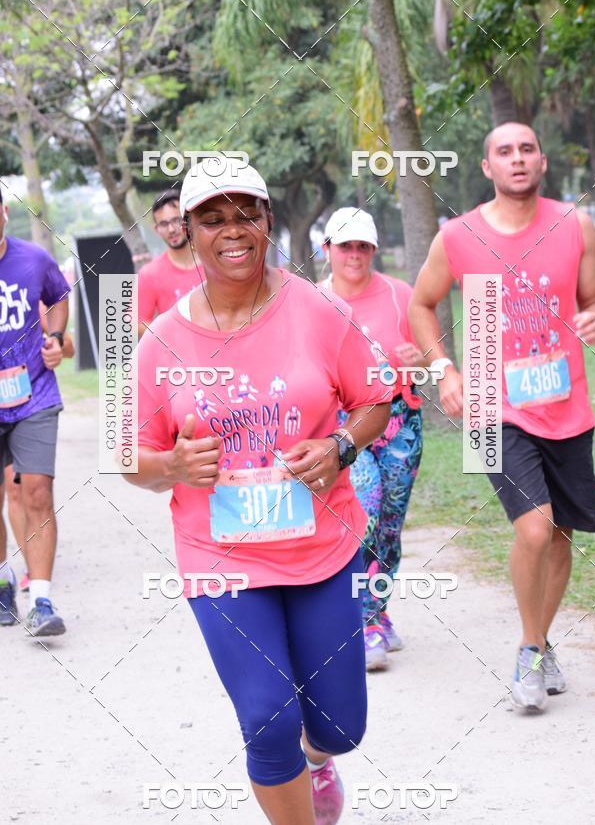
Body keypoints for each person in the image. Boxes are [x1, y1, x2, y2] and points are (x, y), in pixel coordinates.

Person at [125, 159, 391, 824]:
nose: (232, 229)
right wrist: (174, 465)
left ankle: (319, 757)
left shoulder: (321, 308)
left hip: (321, 547)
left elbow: (374, 401)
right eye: (212, 218)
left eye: (246, 213)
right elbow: (129, 457)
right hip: (220, 556)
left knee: (339, 726)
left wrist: (340, 446)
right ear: (187, 232)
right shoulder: (160, 342)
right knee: (268, 720)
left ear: (268, 220)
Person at [409, 121, 595, 712]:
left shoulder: (575, 225)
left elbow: (592, 299)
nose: (517, 159)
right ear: (487, 167)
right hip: (492, 404)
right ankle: (529, 650)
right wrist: (446, 371)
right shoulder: (459, 235)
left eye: (526, 149)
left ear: (542, 161)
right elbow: (420, 305)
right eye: (504, 152)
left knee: (561, 535)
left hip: (567, 405)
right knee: (535, 528)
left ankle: (540, 641)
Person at [319, 208, 425, 672]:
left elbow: (430, 360)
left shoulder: (401, 295)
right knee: (365, 512)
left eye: (363, 246)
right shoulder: (313, 302)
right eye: (346, 246)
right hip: (345, 424)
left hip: (400, 422)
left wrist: (420, 360)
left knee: (389, 527)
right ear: (327, 250)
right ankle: (361, 622)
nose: (355, 254)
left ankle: (377, 612)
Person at [0, 187, 71, 635]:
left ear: (4, 212)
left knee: (37, 492)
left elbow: (59, 297)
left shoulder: (33, 258)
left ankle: (41, 600)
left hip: (35, 394)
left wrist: (56, 338)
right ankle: (2, 583)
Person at [0, 303, 75, 594]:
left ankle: (33, 571)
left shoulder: (23, 291)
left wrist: (56, 348)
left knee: (18, 488)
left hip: (26, 407)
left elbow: (68, 347)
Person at [137, 188, 204, 338]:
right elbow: (137, 322)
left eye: (176, 220)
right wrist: (171, 338)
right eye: (163, 224)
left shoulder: (215, 263)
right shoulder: (149, 274)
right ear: (157, 229)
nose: (171, 229)